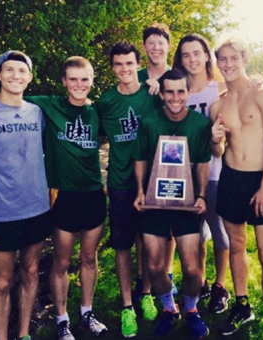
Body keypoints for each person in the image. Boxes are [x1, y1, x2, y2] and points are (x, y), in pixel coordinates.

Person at [0, 56, 108, 340]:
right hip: (23, 207)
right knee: (18, 276)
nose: (79, 84)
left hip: (65, 202)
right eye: (73, 79)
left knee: (57, 265)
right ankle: (53, 323)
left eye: (85, 79)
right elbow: (6, 95)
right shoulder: (40, 107)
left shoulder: (85, 112)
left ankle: (71, 318)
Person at [0, 50, 51, 340]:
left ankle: (23, 334)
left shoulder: (37, 112)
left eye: (21, 71)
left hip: (38, 209)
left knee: (31, 272)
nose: (15, 76)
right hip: (2, 214)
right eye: (9, 70)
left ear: (30, 77)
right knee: (3, 282)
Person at [211, 39, 263, 340]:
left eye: (233, 58)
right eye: (222, 59)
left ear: (244, 59)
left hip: (260, 180)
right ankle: (242, 305)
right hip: (231, 179)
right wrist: (215, 139)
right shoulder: (219, 103)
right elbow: (217, 150)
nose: (227, 64)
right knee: (236, 245)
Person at [133, 69, 211, 338]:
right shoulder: (150, 122)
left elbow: (203, 161)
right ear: (162, 94)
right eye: (170, 92)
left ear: (188, 93)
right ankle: (169, 308)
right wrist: (141, 191)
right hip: (155, 203)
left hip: (186, 203)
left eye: (180, 91)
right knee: (154, 267)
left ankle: (190, 309)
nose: (175, 97)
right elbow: (141, 157)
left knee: (192, 270)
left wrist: (201, 195)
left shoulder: (200, 124)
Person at [94, 41, 162, 338]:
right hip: (120, 183)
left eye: (129, 63)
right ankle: (126, 307)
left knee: (148, 242)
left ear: (139, 64)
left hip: (151, 182)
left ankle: (145, 292)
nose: (124, 69)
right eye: (118, 64)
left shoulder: (153, 95)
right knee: (122, 245)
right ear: (112, 68)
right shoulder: (106, 102)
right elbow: (91, 134)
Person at [172, 33, 231, 313]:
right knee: (196, 235)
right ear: (180, 59)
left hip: (216, 172)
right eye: (186, 54)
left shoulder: (219, 88)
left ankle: (221, 286)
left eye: (197, 53)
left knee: (219, 232)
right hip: (184, 175)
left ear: (207, 55)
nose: (192, 59)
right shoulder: (177, 90)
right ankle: (202, 280)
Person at [133, 23, 178, 302]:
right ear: (145, 47)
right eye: (150, 42)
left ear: (168, 46)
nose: (156, 47)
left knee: (171, 225)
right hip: (141, 161)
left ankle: (168, 274)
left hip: (173, 161)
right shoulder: (135, 78)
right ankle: (143, 281)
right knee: (143, 228)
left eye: (161, 42)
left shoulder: (177, 77)